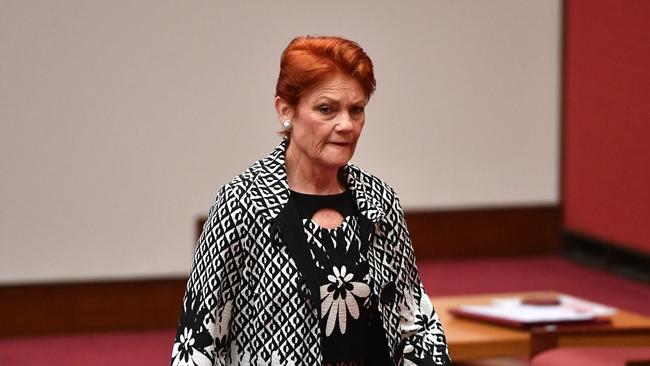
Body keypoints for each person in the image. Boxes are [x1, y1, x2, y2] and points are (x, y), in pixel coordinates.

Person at [171, 35, 450, 366]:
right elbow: (200, 337)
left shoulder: (379, 202)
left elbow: (416, 325)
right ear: (286, 110)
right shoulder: (242, 203)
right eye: (326, 109)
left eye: (356, 110)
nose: (346, 125)